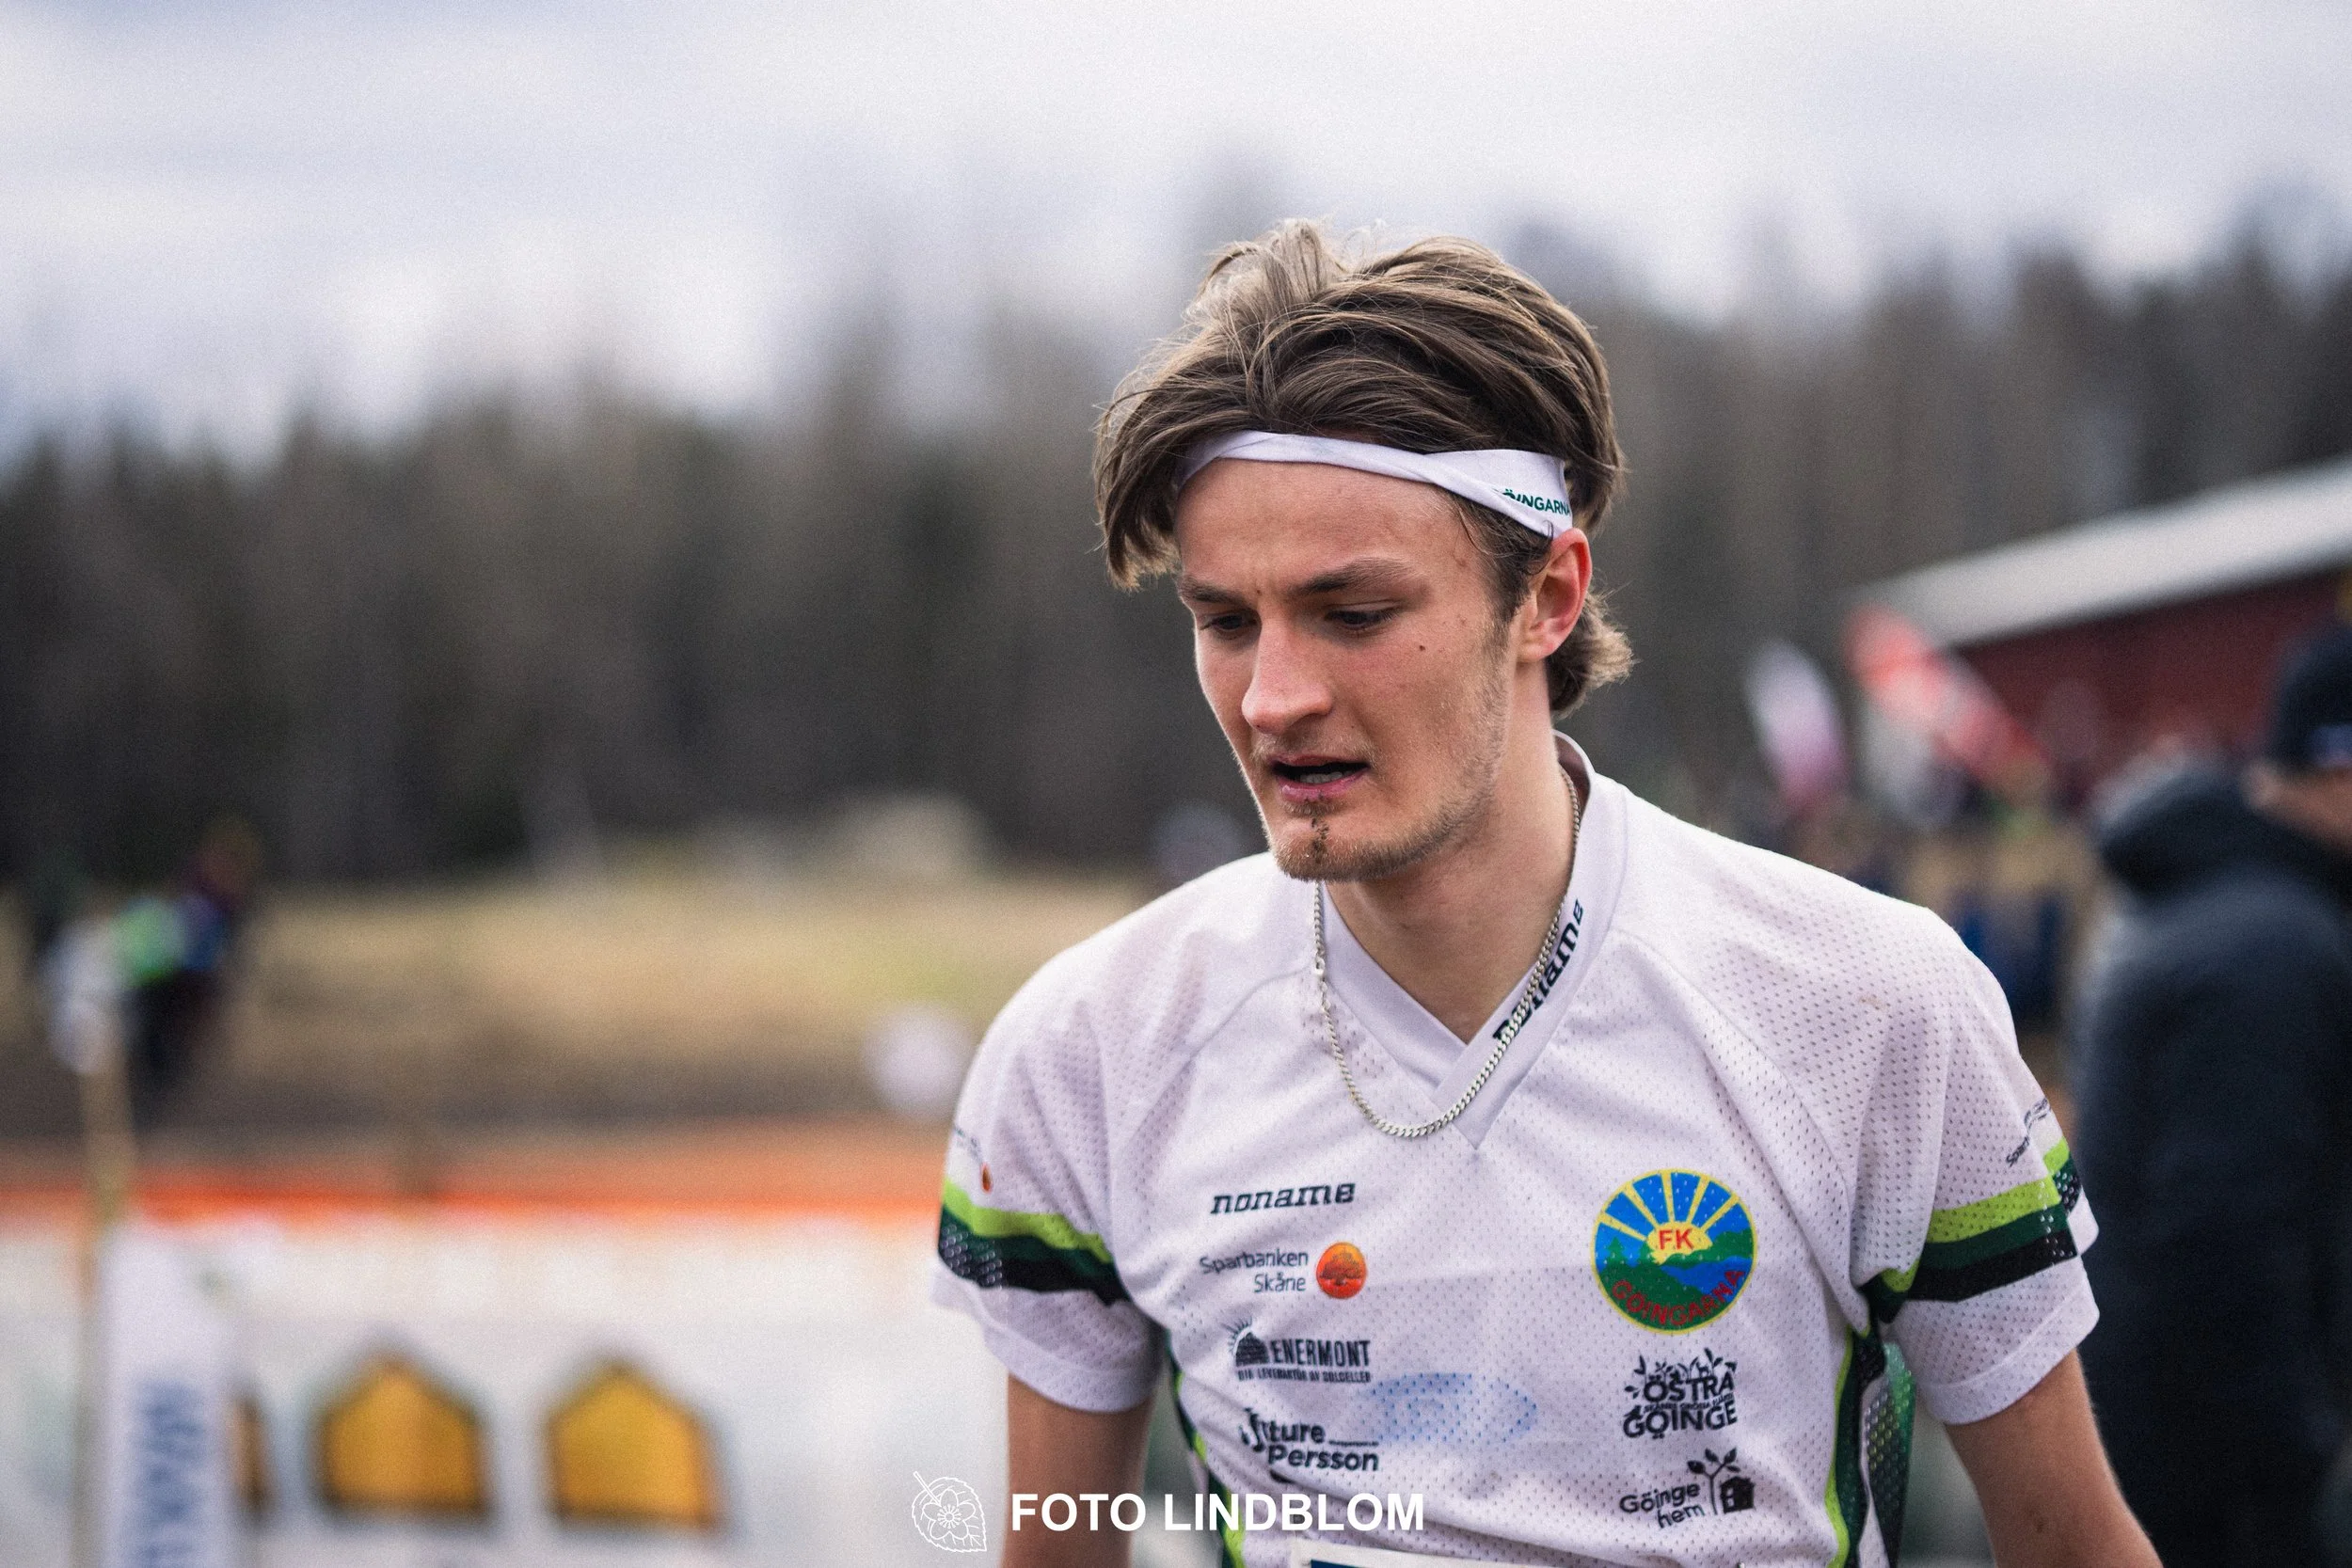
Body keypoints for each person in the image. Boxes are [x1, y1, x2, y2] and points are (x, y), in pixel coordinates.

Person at [932, 222, 2153, 1568]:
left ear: (1550, 594)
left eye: (1352, 610)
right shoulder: (1088, 1049)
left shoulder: (1869, 1004)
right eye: (1227, 621)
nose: (1274, 696)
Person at [2074, 627, 2352, 1566]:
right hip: (2211, 1479)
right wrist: (2297, 1463)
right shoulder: (2270, 946)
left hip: (2157, 1438)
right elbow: (2228, 1234)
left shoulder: (2215, 900)